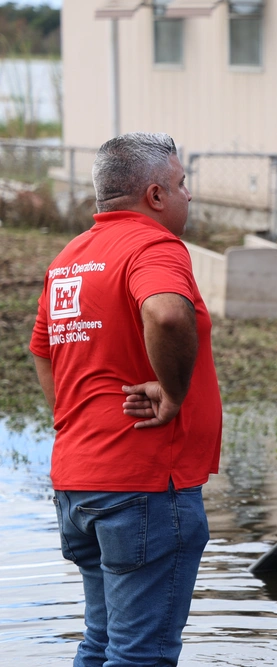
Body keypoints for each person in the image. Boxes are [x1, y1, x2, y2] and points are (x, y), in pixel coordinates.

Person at [30, 132, 222, 666]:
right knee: (141, 655)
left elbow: (42, 349)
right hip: (144, 486)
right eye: (183, 184)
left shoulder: (70, 257)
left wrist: (71, 420)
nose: (189, 195)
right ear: (155, 195)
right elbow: (165, 312)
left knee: (103, 642)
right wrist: (174, 393)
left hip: (80, 486)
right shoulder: (153, 245)